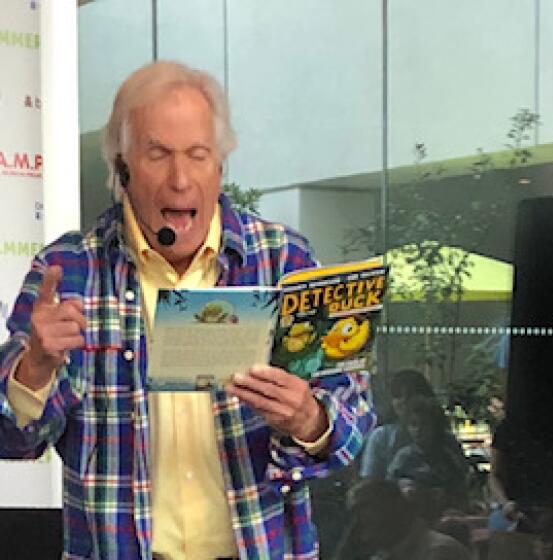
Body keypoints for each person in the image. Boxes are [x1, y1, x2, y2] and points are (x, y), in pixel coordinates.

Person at [0, 60, 375, 559]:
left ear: (220, 165)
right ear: (122, 167)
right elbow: (14, 441)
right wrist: (34, 370)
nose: (180, 179)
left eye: (198, 155)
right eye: (158, 154)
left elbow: (353, 425)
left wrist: (308, 419)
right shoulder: (67, 269)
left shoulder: (285, 259)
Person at [332, 478, 470, 560]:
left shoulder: (439, 552)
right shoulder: (385, 555)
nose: (358, 522)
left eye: (363, 508)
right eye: (354, 513)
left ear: (393, 506)